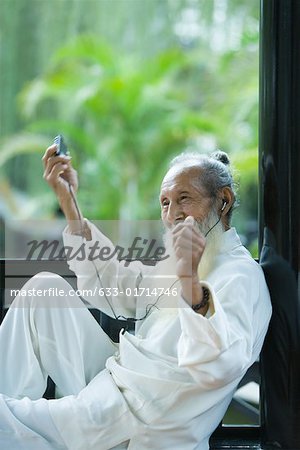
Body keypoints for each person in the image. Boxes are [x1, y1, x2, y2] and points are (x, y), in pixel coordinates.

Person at [0, 145, 272, 450]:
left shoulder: (242, 276)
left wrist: (190, 281)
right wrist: (69, 203)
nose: (172, 215)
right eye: (165, 202)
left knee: (5, 419)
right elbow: (114, 283)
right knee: (44, 291)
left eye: (184, 199)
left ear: (223, 201)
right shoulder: (186, 262)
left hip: (137, 424)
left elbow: (218, 366)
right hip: (113, 384)